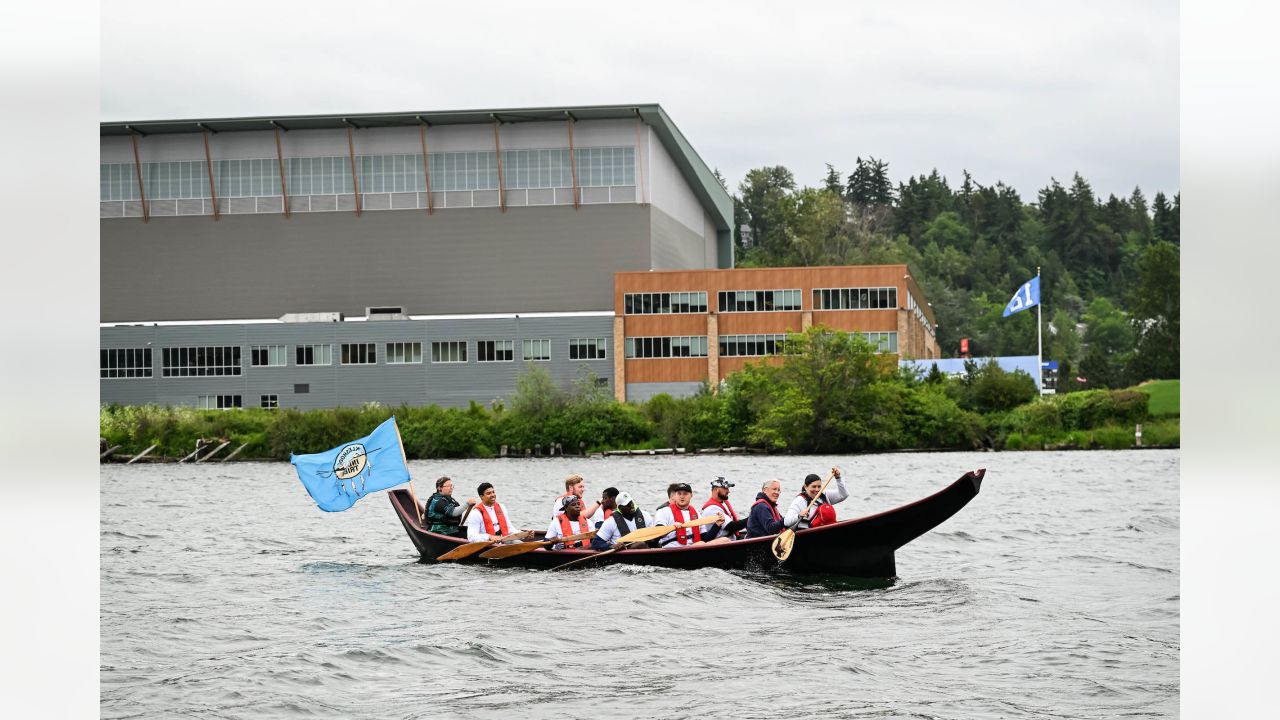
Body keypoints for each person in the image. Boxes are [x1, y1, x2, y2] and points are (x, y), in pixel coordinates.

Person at [653, 482, 726, 547]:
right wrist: (671, 528)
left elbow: (705, 539)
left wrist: (717, 524)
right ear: (675, 496)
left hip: (694, 548)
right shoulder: (663, 511)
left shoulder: (697, 514)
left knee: (725, 540)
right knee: (701, 544)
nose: (682, 496)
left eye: (685, 494)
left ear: (691, 495)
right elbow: (657, 534)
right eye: (679, 494)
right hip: (673, 550)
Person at [783, 467, 849, 530]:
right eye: (814, 486)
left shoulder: (824, 495)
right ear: (806, 487)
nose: (817, 490)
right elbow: (786, 521)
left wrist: (838, 478)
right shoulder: (799, 501)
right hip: (808, 534)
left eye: (819, 486)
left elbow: (844, 494)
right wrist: (799, 515)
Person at [591, 492, 655, 550]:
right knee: (641, 544)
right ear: (620, 508)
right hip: (625, 552)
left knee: (647, 544)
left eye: (631, 502)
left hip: (645, 549)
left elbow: (653, 537)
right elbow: (596, 543)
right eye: (627, 504)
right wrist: (611, 546)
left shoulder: (645, 515)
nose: (631, 505)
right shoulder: (610, 522)